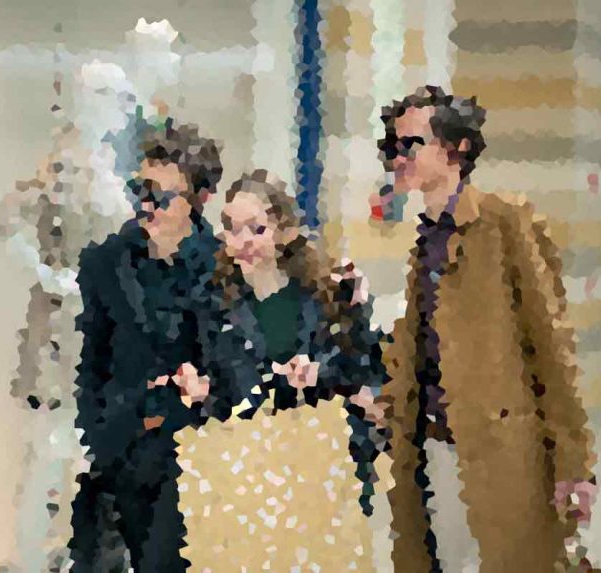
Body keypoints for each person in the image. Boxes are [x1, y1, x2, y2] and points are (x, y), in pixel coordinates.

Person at [376, 85, 597, 572]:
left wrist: (574, 463)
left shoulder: (505, 223)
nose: (398, 158)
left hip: (501, 455)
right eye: (391, 146)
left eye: (410, 144)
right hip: (433, 445)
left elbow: (551, 348)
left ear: (456, 148)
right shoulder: (425, 242)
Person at [176, 170, 388, 570]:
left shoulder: (327, 295)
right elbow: (220, 392)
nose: (243, 241)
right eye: (232, 229)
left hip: (322, 469)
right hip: (252, 472)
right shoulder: (211, 306)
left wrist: (319, 373)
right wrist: (202, 392)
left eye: (256, 229)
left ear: (285, 231)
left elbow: (362, 369)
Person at [67, 119, 251, 572]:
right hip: (122, 453)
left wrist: (200, 397)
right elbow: (92, 362)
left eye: (162, 197)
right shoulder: (106, 262)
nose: (147, 206)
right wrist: (103, 433)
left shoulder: (225, 267)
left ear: (199, 199)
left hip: (194, 460)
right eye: (141, 191)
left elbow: (237, 368)